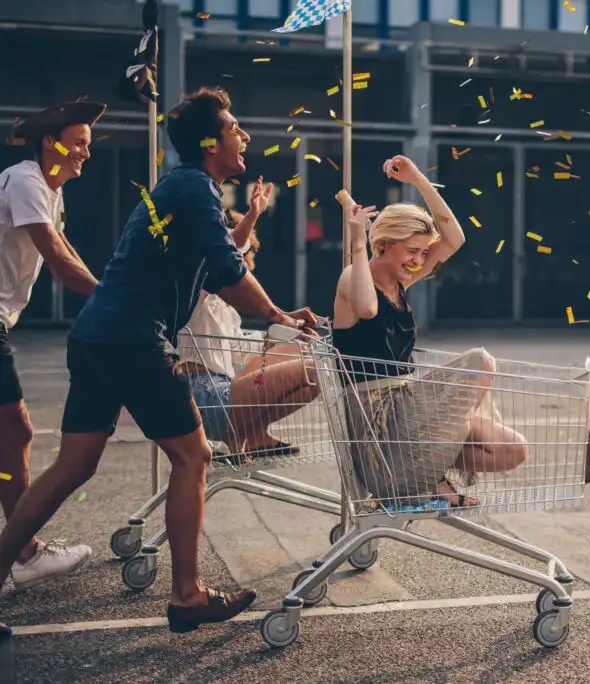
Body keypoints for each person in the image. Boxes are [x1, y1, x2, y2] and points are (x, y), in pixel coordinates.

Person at [0, 86, 319, 641]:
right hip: (134, 340)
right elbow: (226, 270)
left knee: (74, 465)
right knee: (193, 455)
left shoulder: (179, 186)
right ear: (207, 142)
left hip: (97, 335)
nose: (242, 136)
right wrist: (278, 314)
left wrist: (269, 306)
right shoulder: (195, 188)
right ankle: (188, 595)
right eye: (233, 127)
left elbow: (216, 264)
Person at [332, 155, 527, 509]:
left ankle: (434, 475)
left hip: (408, 416)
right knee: (480, 362)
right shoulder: (352, 277)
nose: (419, 261)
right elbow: (367, 309)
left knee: (511, 449)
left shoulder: (402, 279)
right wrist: (358, 242)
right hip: (380, 426)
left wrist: (418, 180)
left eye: (423, 253)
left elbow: (454, 238)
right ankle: (430, 481)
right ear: (383, 245)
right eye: (411, 251)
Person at [0, 101, 107, 595]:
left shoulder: (48, 190)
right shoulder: (24, 180)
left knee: (12, 435)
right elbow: (57, 260)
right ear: (52, 142)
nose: (86, 150)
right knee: (15, 431)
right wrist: (113, 297)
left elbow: (67, 251)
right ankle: (24, 553)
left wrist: (107, 288)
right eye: (79, 141)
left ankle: (23, 551)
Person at [176, 201, 319, 461]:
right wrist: (253, 215)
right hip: (203, 396)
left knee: (307, 360)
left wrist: (289, 330)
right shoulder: (197, 289)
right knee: (314, 370)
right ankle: (246, 434)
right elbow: (223, 256)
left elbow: (241, 348)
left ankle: (254, 435)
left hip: (222, 390)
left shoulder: (226, 307)